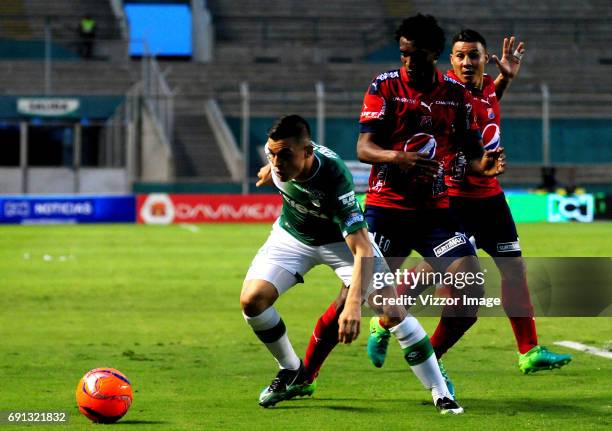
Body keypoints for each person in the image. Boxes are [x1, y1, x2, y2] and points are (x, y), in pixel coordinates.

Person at [267, 14, 506, 400]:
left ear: (432, 53)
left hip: (435, 213)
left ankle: (435, 360)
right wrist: (399, 157)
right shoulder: (385, 86)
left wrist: (485, 165)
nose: (407, 61)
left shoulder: (455, 94)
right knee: (352, 299)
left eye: (414, 54)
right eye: (403, 53)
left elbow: (471, 151)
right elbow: (364, 148)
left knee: (470, 288)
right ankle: (305, 374)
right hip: (386, 208)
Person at [367, 29, 572, 375]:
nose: (466, 62)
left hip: (490, 197)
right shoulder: (446, 94)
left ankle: (528, 351)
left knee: (513, 269)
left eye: (473, 55)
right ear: (450, 60)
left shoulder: (488, 87)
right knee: (439, 275)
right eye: (460, 56)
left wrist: (505, 80)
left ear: (484, 58)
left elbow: (487, 105)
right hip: (454, 197)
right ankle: (384, 321)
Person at [241, 114, 464, 414]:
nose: (277, 161)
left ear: (307, 153)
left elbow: (362, 250)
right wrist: (270, 167)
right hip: (292, 236)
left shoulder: (333, 179)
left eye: (283, 155)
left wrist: (354, 305)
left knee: (391, 310)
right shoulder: (283, 158)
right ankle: (291, 369)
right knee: (252, 301)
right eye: (272, 154)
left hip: (341, 244)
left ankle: (441, 393)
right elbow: (279, 157)